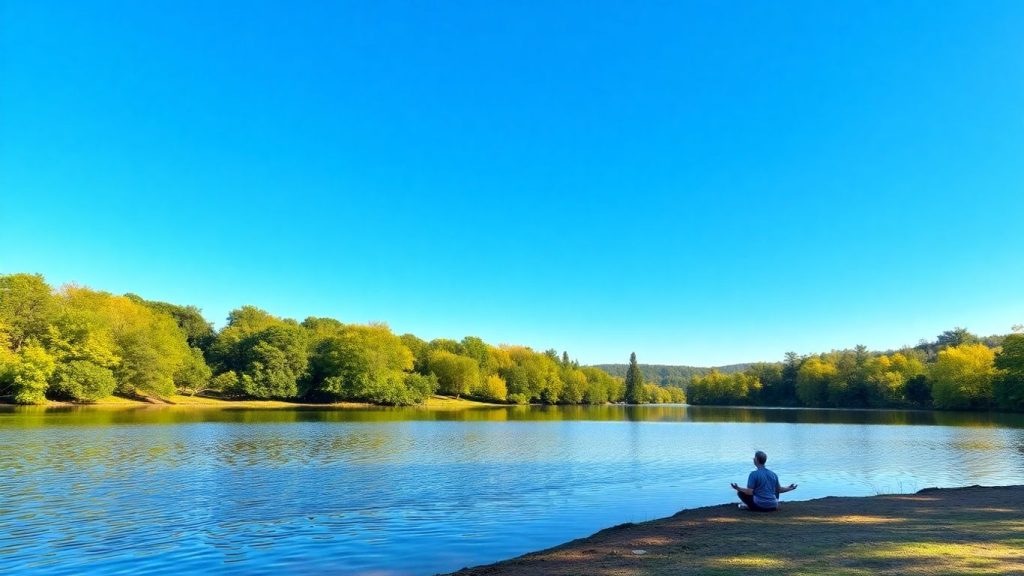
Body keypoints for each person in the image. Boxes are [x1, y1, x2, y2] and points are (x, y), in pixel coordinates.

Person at [729, 450, 797, 512]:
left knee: (740, 493)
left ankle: (748, 506)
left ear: (757, 460)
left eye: (754, 458)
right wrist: (790, 488)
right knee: (773, 490)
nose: (753, 459)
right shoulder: (773, 474)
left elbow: (749, 492)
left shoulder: (753, 474)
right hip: (773, 506)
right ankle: (764, 503)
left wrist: (737, 488)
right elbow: (779, 490)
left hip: (760, 506)